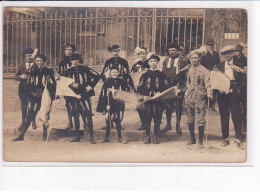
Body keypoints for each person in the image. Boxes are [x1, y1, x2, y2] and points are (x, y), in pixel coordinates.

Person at [13, 54, 56, 141]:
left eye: (41, 61)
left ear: (44, 62)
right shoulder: (32, 70)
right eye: (37, 60)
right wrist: (32, 93)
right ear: (35, 61)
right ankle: (21, 135)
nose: (39, 62)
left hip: (45, 95)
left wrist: (50, 94)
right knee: (30, 114)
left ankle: (44, 136)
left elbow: (53, 84)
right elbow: (28, 84)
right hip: (34, 95)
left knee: (45, 115)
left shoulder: (49, 71)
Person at [63, 53, 99, 143]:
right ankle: (77, 136)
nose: (74, 62)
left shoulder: (85, 68)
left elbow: (97, 75)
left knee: (88, 114)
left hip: (84, 94)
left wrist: (90, 86)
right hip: (73, 95)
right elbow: (63, 81)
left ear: (79, 60)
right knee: (75, 114)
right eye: (72, 60)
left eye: (76, 59)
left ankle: (91, 136)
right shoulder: (68, 71)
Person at [215, 45, 246, 150]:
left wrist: (237, 89)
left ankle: (239, 138)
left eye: (229, 53)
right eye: (225, 54)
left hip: (234, 93)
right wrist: (219, 89)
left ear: (233, 53)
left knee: (236, 116)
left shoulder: (239, 65)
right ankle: (225, 138)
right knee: (224, 116)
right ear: (223, 55)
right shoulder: (218, 66)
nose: (227, 55)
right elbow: (215, 80)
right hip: (222, 94)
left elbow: (243, 80)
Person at [137, 54, 169, 144]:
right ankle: (147, 136)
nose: (153, 63)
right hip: (148, 100)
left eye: (155, 61)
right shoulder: (145, 75)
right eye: (151, 61)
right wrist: (145, 96)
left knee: (157, 118)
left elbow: (166, 86)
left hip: (158, 100)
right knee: (147, 118)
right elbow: (140, 87)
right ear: (148, 63)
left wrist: (160, 93)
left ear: (157, 62)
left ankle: (156, 136)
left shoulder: (162, 75)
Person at [184, 50, 212, 148]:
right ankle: (192, 138)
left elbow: (208, 83)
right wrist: (187, 90)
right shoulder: (188, 69)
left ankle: (200, 141)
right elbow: (187, 81)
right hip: (189, 97)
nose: (193, 60)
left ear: (199, 58)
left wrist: (209, 93)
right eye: (192, 58)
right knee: (190, 118)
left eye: (195, 58)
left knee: (200, 118)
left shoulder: (205, 70)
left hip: (200, 96)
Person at [161, 42, 190, 135]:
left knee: (178, 105)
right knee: (168, 105)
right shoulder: (166, 60)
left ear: (177, 51)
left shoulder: (184, 60)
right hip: (168, 86)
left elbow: (186, 73)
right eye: (170, 51)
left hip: (179, 85)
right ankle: (168, 124)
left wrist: (181, 82)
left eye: (173, 50)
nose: (172, 52)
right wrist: (164, 80)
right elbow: (163, 72)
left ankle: (178, 125)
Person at [96, 65, 131, 143]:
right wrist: (105, 105)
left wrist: (120, 92)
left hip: (118, 103)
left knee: (118, 120)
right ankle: (106, 137)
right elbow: (103, 95)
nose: (115, 73)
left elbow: (126, 91)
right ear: (110, 73)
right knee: (108, 120)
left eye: (116, 72)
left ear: (118, 73)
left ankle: (120, 137)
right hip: (110, 104)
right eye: (113, 72)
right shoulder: (107, 82)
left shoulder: (122, 81)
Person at [15, 48, 37, 131]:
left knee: (32, 106)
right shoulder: (21, 66)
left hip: (33, 89)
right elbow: (15, 76)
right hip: (23, 89)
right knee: (24, 106)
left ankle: (33, 120)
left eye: (30, 55)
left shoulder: (36, 65)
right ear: (24, 57)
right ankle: (23, 122)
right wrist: (20, 76)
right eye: (26, 56)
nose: (28, 57)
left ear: (33, 56)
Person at [200, 39, 220, 111]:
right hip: (206, 72)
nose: (211, 46)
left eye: (212, 45)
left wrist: (216, 68)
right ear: (206, 46)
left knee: (214, 88)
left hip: (214, 73)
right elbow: (201, 64)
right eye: (209, 45)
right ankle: (205, 104)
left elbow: (218, 63)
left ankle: (212, 104)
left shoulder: (216, 54)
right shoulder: (203, 54)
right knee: (206, 87)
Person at [233, 44, 247, 133]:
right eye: (235, 51)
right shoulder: (233, 59)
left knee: (244, 108)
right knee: (236, 108)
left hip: (243, 85)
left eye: (237, 51)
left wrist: (239, 69)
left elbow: (245, 72)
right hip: (236, 84)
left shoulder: (244, 59)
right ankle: (238, 130)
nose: (236, 53)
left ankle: (243, 130)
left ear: (240, 52)